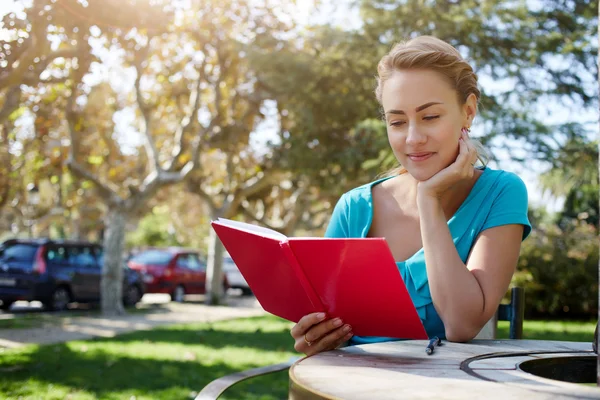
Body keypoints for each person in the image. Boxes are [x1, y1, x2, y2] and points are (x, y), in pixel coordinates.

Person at [290, 36, 532, 356]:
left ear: (468, 112)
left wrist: (428, 200)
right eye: (398, 122)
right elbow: (317, 336)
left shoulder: (502, 193)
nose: (413, 138)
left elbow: (461, 325)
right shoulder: (354, 208)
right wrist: (312, 338)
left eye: (430, 117)